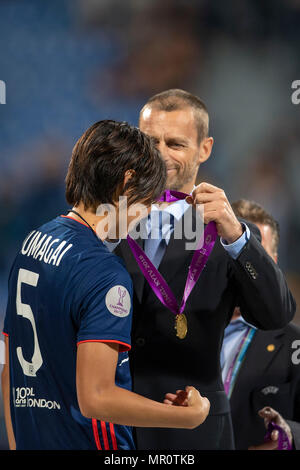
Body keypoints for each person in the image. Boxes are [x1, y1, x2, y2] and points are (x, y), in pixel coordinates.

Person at [1, 120, 210, 451]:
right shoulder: (104, 273)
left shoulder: (31, 244)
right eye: (148, 201)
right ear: (127, 184)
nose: (146, 215)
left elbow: (8, 368)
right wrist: (188, 418)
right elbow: (96, 398)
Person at [113, 89, 296, 450]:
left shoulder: (228, 233)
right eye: (150, 141)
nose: (160, 153)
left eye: (175, 143)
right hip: (113, 426)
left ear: (205, 149)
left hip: (193, 431)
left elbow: (276, 313)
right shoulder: (109, 220)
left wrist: (237, 236)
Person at [221, 199, 300, 450]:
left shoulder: (294, 345)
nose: (241, 269)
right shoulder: (182, 328)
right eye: (231, 254)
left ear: (273, 264)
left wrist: (289, 437)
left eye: (256, 258)